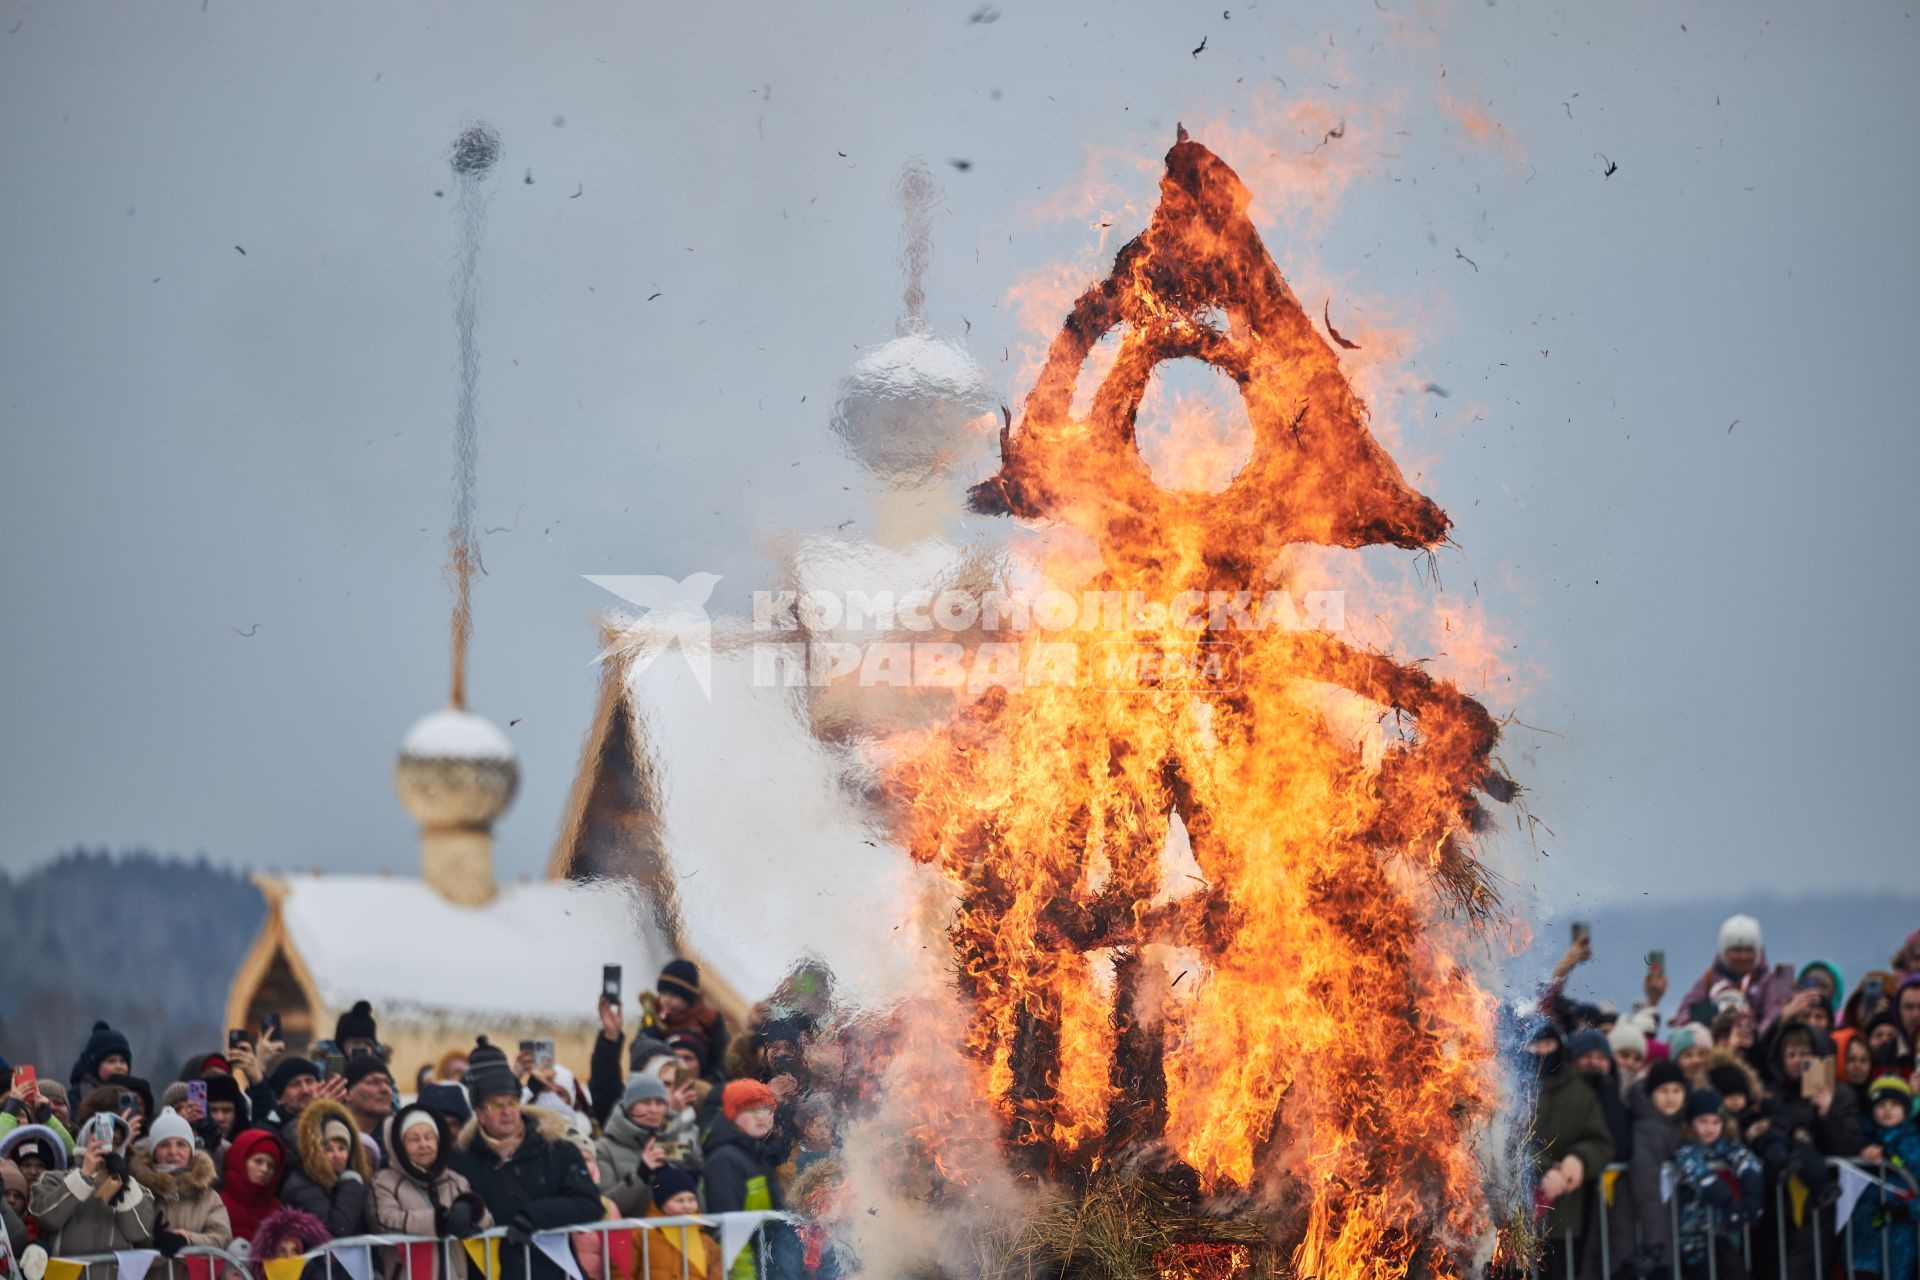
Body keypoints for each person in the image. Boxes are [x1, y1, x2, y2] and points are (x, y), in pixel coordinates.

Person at [446, 1039, 601, 1280]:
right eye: (496, 1104)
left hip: (550, 1272)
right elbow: (447, 1202)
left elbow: (590, 1204)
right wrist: (464, 1207)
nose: (507, 1111)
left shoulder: (556, 1150)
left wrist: (536, 1215)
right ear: (479, 1113)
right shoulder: (462, 1159)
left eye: (511, 1102)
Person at [370, 1103, 491, 1280]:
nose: (424, 1144)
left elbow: (488, 1222)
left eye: (429, 1137)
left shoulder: (455, 1180)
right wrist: (439, 1220)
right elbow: (386, 1221)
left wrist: (469, 1209)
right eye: (414, 1139)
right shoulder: (385, 1181)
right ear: (400, 1145)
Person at [704, 1080, 803, 1280]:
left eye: (767, 1109)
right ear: (733, 1114)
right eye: (751, 1109)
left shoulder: (754, 1154)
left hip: (763, 1265)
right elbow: (729, 1229)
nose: (761, 1116)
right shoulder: (726, 1158)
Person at [28, 1107, 156, 1253]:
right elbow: (47, 1219)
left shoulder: (138, 1189)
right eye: (100, 1137)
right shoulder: (53, 1179)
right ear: (85, 1138)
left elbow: (139, 1233)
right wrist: (84, 1174)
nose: (107, 1146)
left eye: (115, 1141)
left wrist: (124, 1182)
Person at [1670, 1088, 1762, 1280]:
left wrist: (1752, 1197)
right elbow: (1701, 1176)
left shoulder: (1727, 1145)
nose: (1710, 1128)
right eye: (1703, 1121)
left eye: (1715, 1121)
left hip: (1722, 1233)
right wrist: (1729, 1203)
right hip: (1692, 1237)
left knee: (1735, 1271)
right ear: (1690, 1124)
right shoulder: (1686, 1149)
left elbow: (1748, 1162)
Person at [130, 1106, 233, 1253]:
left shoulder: (208, 1196)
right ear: (153, 1152)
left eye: (181, 1145)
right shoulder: (139, 1191)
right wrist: (152, 1240)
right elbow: (127, 1236)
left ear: (191, 1151)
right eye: (164, 1145)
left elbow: (222, 1237)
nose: (173, 1152)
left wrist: (186, 1239)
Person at [1847, 1076, 1919, 1280]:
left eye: (1894, 1104)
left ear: (1905, 1108)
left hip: (1900, 1238)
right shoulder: (1861, 1137)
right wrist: (1861, 1151)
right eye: (1881, 1104)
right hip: (1864, 1234)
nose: (1887, 1110)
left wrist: (1904, 1212)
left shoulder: (1913, 1142)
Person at [280, 1097, 372, 1237]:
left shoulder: (351, 1181)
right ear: (316, 1150)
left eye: (342, 1148)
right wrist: (350, 1182)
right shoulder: (301, 1184)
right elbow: (338, 1227)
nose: (337, 1155)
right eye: (329, 1149)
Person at [1679, 916, 1784, 1031]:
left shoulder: (1770, 981)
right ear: (1724, 951)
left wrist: (1752, 1037)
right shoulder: (1709, 979)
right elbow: (1686, 1011)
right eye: (1736, 950)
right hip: (1716, 1047)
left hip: (1758, 1045)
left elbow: (1773, 1013)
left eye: (1749, 949)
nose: (1743, 956)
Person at [594, 1075, 671, 1217]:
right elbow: (605, 1205)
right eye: (645, 1102)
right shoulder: (603, 1149)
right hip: (631, 1237)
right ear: (630, 1107)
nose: (654, 1109)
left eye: (660, 1102)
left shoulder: (672, 1139)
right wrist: (642, 1174)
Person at [647, 961, 731, 1084]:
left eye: (674, 995)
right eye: (664, 993)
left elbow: (722, 1060)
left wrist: (709, 1082)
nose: (667, 1000)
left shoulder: (709, 1020)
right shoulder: (653, 1017)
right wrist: (650, 1027)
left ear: (688, 998)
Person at [636, 1166, 722, 1280]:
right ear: (661, 1203)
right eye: (679, 1200)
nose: (687, 1206)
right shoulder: (641, 1237)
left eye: (692, 1199)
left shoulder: (707, 1243)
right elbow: (622, 1274)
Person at [219, 1127, 288, 1247]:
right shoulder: (218, 1204)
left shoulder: (278, 1210)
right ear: (240, 1160)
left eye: (271, 1166)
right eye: (258, 1161)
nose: (265, 1169)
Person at [342, 1056, 397, 1163]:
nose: (385, 1089)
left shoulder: (398, 1137)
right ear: (348, 1093)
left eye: (388, 1083)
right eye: (374, 1082)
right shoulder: (330, 1133)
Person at [67, 1022, 135, 1099]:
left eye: (123, 1061)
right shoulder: (80, 1094)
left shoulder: (135, 1094)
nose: (119, 1066)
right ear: (94, 1066)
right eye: (111, 1061)